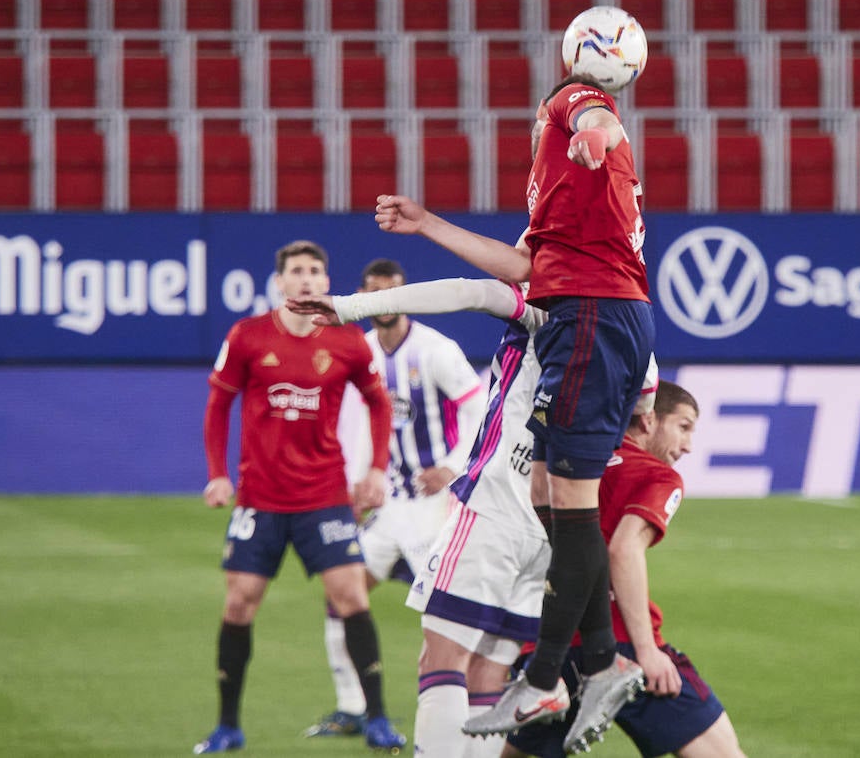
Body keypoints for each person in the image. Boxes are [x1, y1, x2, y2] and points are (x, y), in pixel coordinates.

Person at [376, 46, 655, 752]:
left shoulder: (567, 107)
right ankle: (584, 666)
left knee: (443, 653)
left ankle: (566, 672)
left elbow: (598, 117)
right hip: (594, 336)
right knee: (553, 499)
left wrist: (590, 130)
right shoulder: (569, 214)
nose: (536, 139)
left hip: (573, 349)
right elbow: (525, 266)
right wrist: (430, 224)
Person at [289, 275, 658, 758]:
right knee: (488, 669)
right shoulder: (633, 332)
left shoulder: (547, 304)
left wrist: (354, 305)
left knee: (439, 659)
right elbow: (645, 409)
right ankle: (591, 665)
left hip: (497, 505)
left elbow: (468, 291)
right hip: (557, 528)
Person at [192, 240, 407, 754]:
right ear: (281, 282)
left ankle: (376, 719)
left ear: (326, 282)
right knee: (239, 603)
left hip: (324, 497)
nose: (307, 279)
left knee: (351, 597)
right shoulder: (247, 337)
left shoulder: (349, 342)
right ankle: (227, 726)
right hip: (259, 500)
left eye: (315, 271)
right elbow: (218, 405)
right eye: (297, 271)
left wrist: (377, 469)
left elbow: (379, 404)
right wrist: (218, 474)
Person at [503, 381, 748, 758]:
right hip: (623, 647)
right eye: (683, 427)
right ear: (649, 420)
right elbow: (623, 550)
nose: (688, 446)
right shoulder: (658, 476)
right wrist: (646, 651)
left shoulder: (573, 468)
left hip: (552, 646)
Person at [304, 258, 485, 740]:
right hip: (387, 510)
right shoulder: (358, 352)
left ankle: (474, 704)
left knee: (449, 613)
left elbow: (480, 407)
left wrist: (452, 466)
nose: (384, 300)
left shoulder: (435, 351)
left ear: (403, 294)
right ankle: (351, 706)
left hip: (433, 509)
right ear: (363, 294)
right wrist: (358, 483)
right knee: (341, 594)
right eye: (375, 290)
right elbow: (354, 425)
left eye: (392, 290)